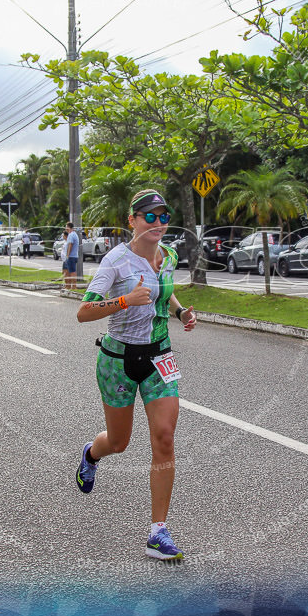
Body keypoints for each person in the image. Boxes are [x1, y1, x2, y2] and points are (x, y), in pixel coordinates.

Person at [74, 189, 197, 562]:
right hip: (118, 359)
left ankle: (158, 532)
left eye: (163, 216)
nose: (158, 223)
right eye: (149, 216)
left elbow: (164, 292)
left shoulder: (170, 255)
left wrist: (179, 313)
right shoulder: (116, 262)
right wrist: (126, 300)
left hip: (160, 355)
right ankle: (92, 454)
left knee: (164, 436)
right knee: (119, 441)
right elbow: (84, 312)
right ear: (132, 221)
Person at [64, 222, 80, 290]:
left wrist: (68, 254)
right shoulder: (74, 234)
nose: (65, 228)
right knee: (68, 271)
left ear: (69, 227)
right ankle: (68, 286)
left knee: (72, 272)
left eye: (66, 227)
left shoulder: (71, 235)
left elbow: (70, 245)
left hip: (71, 256)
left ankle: (74, 286)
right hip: (74, 256)